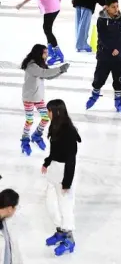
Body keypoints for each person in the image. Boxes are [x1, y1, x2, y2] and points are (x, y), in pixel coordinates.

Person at [41, 99, 79, 256]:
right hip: (54, 171)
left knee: (65, 206)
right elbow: (54, 151)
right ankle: (61, 230)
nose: (47, 113)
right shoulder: (55, 126)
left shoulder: (69, 132)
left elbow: (71, 159)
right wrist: (47, 162)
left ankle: (69, 238)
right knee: (50, 204)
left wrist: (67, 182)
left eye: (49, 110)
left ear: (56, 112)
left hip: (64, 173)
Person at [20, 44, 70, 156]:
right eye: (45, 53)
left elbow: (48, 76)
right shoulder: (32, 65)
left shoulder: (39, 64)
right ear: (39, 53)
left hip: (38, 97)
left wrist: (61, 71)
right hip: (29, 98)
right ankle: (25, 140)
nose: (47, 55)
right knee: (29, 120)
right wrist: (60, 68)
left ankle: (37, 135)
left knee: (46, 117)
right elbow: (44, 73)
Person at [0, 189, 24, 264]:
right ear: (9, 208)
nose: (15, 210)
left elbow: (13, 247)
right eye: (15, 207)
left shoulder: (8, 221)